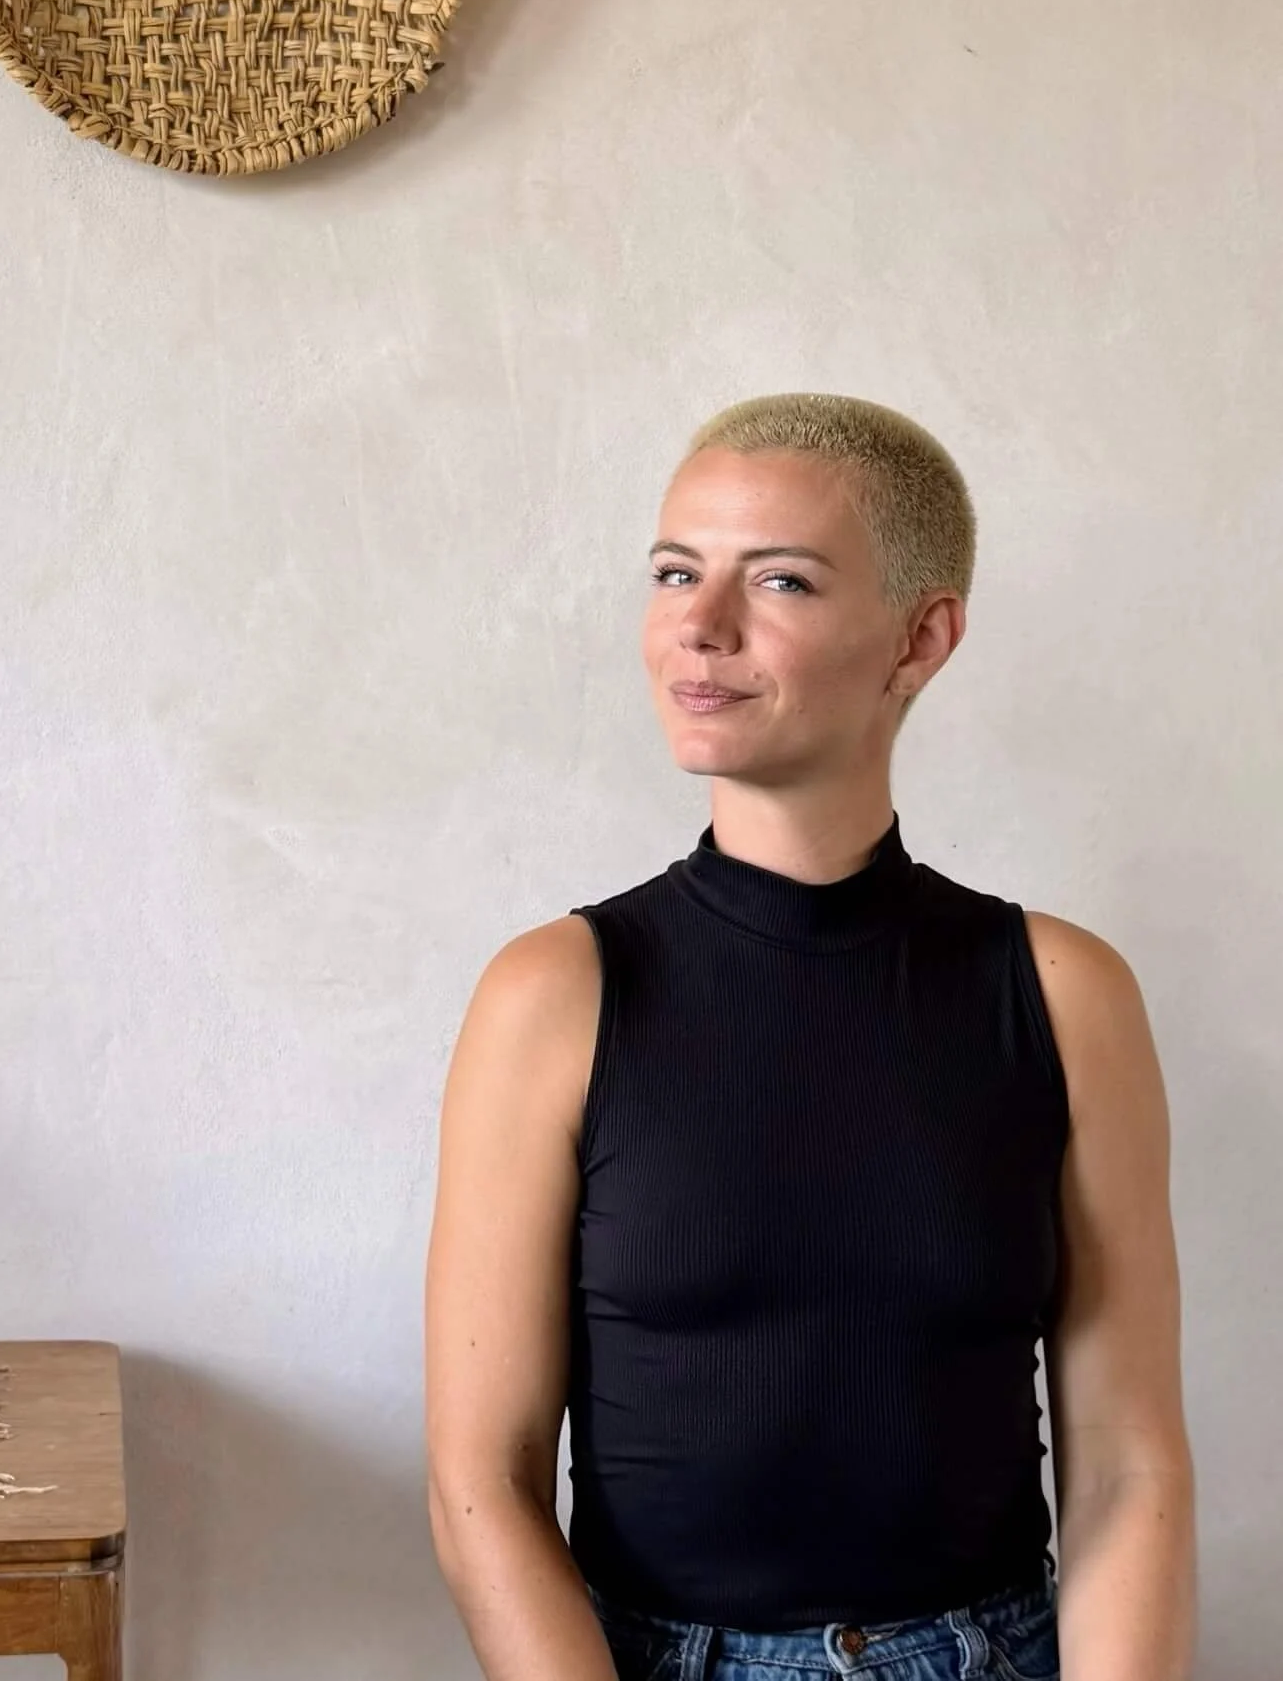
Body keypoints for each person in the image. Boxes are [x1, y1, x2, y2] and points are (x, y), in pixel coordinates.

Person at [425, 395, 1195, 1681]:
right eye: (677, 570)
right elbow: (480, 1482)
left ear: (921, 637)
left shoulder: (1065, 996)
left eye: (777, 579)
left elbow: (1129, 1466)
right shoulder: (556, 994)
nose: (699, 625)